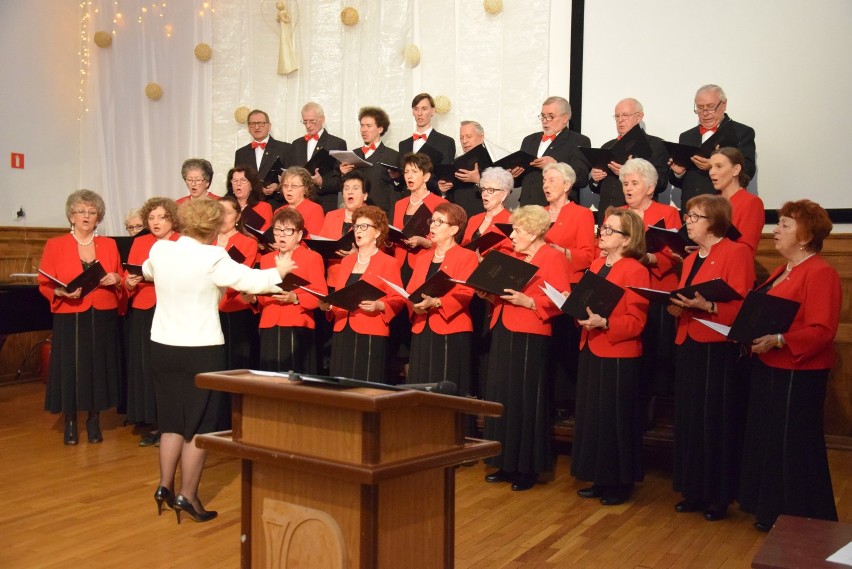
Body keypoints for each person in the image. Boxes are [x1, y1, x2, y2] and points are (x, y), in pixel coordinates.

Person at [143, 198, 296, 524]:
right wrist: (280, 270)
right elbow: (250, 282)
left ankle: (163, 486)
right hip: (200, 348)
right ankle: (189, 495)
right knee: (199, 426)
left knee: (170, 419)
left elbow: (147, 271)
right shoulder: (213, 256)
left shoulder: (160, 250)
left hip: (162, 345)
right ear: (213, 228)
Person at [739, 200, 840, 532]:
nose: (775, 230)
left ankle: (796, 514)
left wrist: (779, 340)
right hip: (770, 367)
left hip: (799, 372)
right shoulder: (785, 270)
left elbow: (822, 330)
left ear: (806, 234)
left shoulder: (821, 272)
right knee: (768, 439)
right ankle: (770, 508)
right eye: (777, 223)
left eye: (784, 224)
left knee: (791, 443)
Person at [669, 194, 754, 522]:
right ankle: (693, 489)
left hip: (718, 345)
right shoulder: (690, 259)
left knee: (716, 418)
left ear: (715, 221)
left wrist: (710, 307)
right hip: (689, 340)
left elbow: (744, 306)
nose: (688, 222)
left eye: (695, 217)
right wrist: (676, 305)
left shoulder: (736, 253)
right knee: (690, 417)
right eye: (688, 216)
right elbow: (684, 296)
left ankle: (719, 495)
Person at [481, 205, 572, 491]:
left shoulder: (552, 257)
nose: (513, 236)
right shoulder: (511, 255)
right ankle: (505, 461)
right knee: (504, 394)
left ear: (533, 232)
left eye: (518, 230)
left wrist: (530, 302)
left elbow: (563, 299)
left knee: (526, 398)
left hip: (531, 331)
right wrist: (487, 292)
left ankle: (527, 468)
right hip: (504, 327)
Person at [571, 209, 650, 506]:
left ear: (627, 239)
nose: (602, 233)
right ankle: (600, 477)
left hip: (618, 351)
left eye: (610, 230)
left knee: (616, 418)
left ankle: (620, 482)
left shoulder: (636, 270)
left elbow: (637, 321)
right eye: (603, 228)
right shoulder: (597, 263)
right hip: (592, 345)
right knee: (595, 416)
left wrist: (606, 324)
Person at [38, 190, 123, 445]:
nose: (86, 216)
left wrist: (116, 279)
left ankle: (94, 420)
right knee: (72, 368)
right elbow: (44, 283)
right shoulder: (55, 244)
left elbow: (120, 276)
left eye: (92, 212)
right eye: (81, 211)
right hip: (70, 313)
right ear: (71, 216)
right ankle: (71, 421)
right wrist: (60, 291)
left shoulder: (109, 244)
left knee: (98, 367)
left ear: (98, 218)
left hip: (103, 312)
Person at [619, 158, 682, 409]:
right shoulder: (617, 213)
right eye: (625, 183)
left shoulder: (667, 213)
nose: (628, 188)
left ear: (650, 187)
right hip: (625, 290)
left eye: (634, 183)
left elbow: (675, 254)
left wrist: (648, 257)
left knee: (655, 350)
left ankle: (652, 407)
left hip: (657, 289)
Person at [321, 206, 405, 382]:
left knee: (365, 384)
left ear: (377, 232)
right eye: (357, 227)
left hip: (371, 329)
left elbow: (398, 299)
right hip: (343, 328)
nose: (359, 231)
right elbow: (340, 295)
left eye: (364, 227)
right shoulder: (347, 261)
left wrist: (380, 305)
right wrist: (329, 305)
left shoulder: (389, 263)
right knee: (340, 385)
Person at [124, 197, 181, 447]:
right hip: (145, 307)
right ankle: (153, 421)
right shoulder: (140, 242)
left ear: (172, 219)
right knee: (147, 365)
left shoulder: (182, 242)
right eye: (151, 218)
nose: (156, 222)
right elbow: (129, 274)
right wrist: (128, 282)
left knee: (169, 366)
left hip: (173, 308)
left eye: (161, 217)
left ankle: (171, 423)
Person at [406, 203, 478, 396]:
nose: (432, 226)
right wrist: (415, 306)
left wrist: (437, 302)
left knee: (446, 388)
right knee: (420, 386)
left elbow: (465, 293)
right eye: (432, 221)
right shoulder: (423, 258)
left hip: (450, 328)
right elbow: (410, 291)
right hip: (422, 326)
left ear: (454, 229)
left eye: (439, 222)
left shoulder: (467, 256)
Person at [541, 162, 596, 414]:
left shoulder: (581, 214)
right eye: (544, 180)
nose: (546, 185)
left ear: (567, 185)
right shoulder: (538, 213)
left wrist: (561, 252)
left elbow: (588, 256)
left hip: (566, 287)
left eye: (552, 180)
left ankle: (565, 402)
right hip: (540, 287)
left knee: (564, 344)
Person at [247, 208, 327, 373]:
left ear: (299, 235)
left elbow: (321, 295)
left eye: (288, 230)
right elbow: (264, 295)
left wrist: (295, 297)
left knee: (294, 377)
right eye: (277, 230)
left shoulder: (312, 257)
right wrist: (254, 299)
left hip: (297, 324)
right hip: (270, 323)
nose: (281, 235)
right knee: (270, 377)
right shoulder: (268, 259)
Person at [668, 85, 757, 213]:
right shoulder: (686, 136)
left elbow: (748, 171)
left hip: (722, 210)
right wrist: (678, 173)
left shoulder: (741, 132)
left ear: (724, 105)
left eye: (710, 107)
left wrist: (715, 165)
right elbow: (681, 182)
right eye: (700, 108)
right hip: (691, 211)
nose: (705, 113)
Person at [588, 98, 669, 223]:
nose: (620, 120)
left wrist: (627, 173)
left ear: (639, 117)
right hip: (607, 217)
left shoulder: (655, 145)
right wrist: (595, 179)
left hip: (636, 219)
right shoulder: (607, 146)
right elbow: (597, 188)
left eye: (625, 115)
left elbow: (661, 183)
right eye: (617, 116)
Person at [514, 96, 590, 206]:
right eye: (543, 116)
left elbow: (582, 178)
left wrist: (555, 165)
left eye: (550, 117)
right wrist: (514, 175)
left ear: (565, 118)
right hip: (527, 209)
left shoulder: (578, 141)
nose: (545, 121)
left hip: (557, 209)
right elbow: (521, 181)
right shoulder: (529, 140)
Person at [217, 195, 261, 370]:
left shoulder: (247, 242)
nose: (222, 217)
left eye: (227, 213)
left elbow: (239, 276)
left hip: (234, 308)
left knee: (234, 363)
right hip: (209, 307)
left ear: (237, 216)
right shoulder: (206, 242)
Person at [392, 153, 447, 284]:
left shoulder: (439, 204)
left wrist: (424, 242)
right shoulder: (399, 204)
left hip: (424, 262)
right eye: (406, 172)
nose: (409, 176)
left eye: (414, 172)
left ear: (426, 176)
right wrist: (388, 241)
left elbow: (445, 241)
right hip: (399, 263)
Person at [338, 106, 400, 218]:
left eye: (369, 126)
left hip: (381, 214)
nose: (364, 130)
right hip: (355, 215)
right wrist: (343, 174)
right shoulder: (353, 154)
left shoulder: (392, 155)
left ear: (380, 129)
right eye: (362, 125)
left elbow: (396, 191)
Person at [289, 102, 347, 213]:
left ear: (322, 119)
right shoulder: (296, 144)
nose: (308, 125)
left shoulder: (336, 143)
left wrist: (321, 182)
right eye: (305, 122)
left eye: (312, 121)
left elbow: (340, 180)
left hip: (324, 203)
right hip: (299, 203)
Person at [398, 93, 456, 196]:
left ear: (432, 111)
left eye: (424, 109)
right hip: (408, 200)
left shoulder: (446, 142)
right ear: (413, 112)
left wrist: (440, 186)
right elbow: (402, 179)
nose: (419, 113)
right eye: (416, 109)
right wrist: (395, 177)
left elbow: (445, 177)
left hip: (433, 200)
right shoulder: (403, 145)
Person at [708, 147, 765, 254]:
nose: (712, 172)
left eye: (718, 166)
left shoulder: (751, 202)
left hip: (732, 267)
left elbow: (745, 247)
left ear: (736, 170)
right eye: (710, 167)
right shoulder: (711, 201)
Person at [233, 109, 292, 210]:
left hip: (278, 205)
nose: (256, 127)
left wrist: (278, 186)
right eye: (252, 124)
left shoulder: (285, 148)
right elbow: (238, 180)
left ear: (269, 126)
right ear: (248, 127)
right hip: (250, 205)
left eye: (260, 123)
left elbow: (293, 176)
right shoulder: (241, 153)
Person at [318, 170, 369, 283]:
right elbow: (321, 244)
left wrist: (358, 254)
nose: (350, 192)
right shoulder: (331, 216)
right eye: (346, 188)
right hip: (334, 278)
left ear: (365, 195)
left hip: (360, 278)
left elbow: (380, 252)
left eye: (355, 188)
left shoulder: (373, 217)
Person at [436, 120, 489, 217]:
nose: (464, 141)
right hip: (458, 218)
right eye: (461, 138)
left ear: (481, 137)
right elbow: (451, 196)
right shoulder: (456, 162)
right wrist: (444, 190)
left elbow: (504, 191)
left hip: (483, 217)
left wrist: (478, 180)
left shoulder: (492, 159)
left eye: (469, 137)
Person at [275, 166, 325, 236]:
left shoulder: (315, 209)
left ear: (306, 189)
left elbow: (313, 240)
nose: (289, 189)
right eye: (285, 185)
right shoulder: (278, 211)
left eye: (294, 186)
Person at [227, 166, 274, 232]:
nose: (238, 184)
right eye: (235, 181)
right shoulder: (226, 207)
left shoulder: (264, 207)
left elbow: (265, 236)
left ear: (252, 185)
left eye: (243, 180)